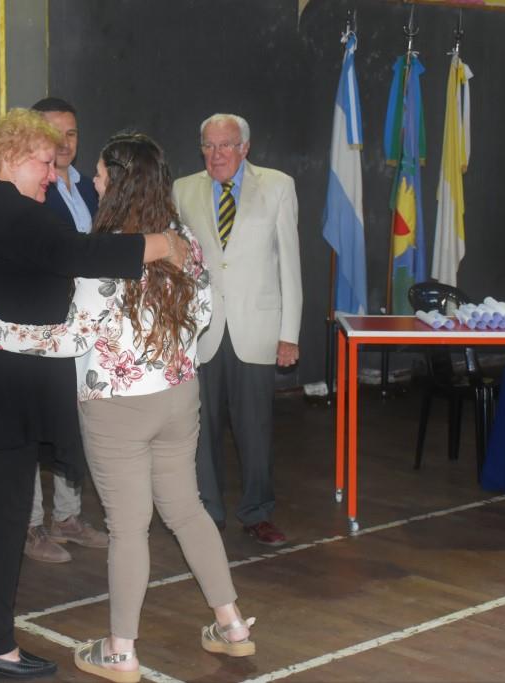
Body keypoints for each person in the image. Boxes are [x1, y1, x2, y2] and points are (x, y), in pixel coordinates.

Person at [0, 132, 255, 683]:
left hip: (118, 409)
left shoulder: (102, 255)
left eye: (102, 175)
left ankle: (120, 652)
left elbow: (69, 339)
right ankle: (232, 626)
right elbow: (203, 313)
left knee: (129, 528)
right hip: (180, 398)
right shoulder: (183, 239)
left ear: (121, 182)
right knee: (186, 510)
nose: (94, 181)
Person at [0, 110, 179, 681]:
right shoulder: (8, 207)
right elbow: (78, 255)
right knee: (1, 518)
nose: (52, 174)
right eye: (45, 162)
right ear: (11, 156)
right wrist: (162, 242)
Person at [172, 113, 302, 546]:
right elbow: (179, 265)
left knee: (255, 430)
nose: (216, 154)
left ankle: (257, 511)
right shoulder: (182, 189)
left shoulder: (278, 186)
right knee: (199, 431)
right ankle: (207, 512)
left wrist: (290, 333)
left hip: (258, 328)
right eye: (208, 146)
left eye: (226, 145)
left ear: (245, 147)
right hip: (201, 332)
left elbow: (290, 264)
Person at [20, 96, 107, 563]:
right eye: (55, 133)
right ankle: (31, 525)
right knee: (37, 424)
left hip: (85, 326)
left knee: (78, 420)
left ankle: (67, 517)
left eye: (72, 133)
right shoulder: (29, 189)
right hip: (42, 324)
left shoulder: (88, 187)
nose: (65, 143)